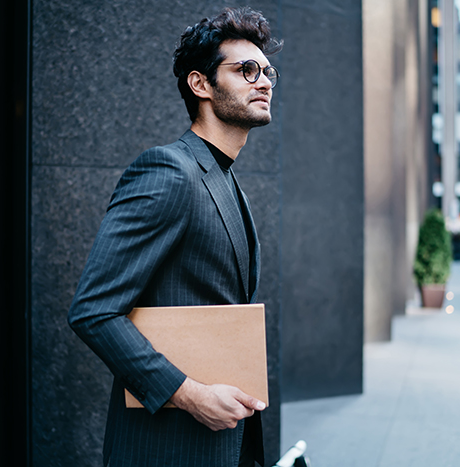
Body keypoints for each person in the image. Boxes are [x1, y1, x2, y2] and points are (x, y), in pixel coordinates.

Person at [67, 6, 282, 467]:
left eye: (267, 71)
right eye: (245, 69)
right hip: (169, 447)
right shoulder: (169, 171)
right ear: (200, 84)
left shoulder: (224, 177)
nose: (263, 81)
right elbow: (94, 311)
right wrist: (191, 395)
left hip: (227, 443)